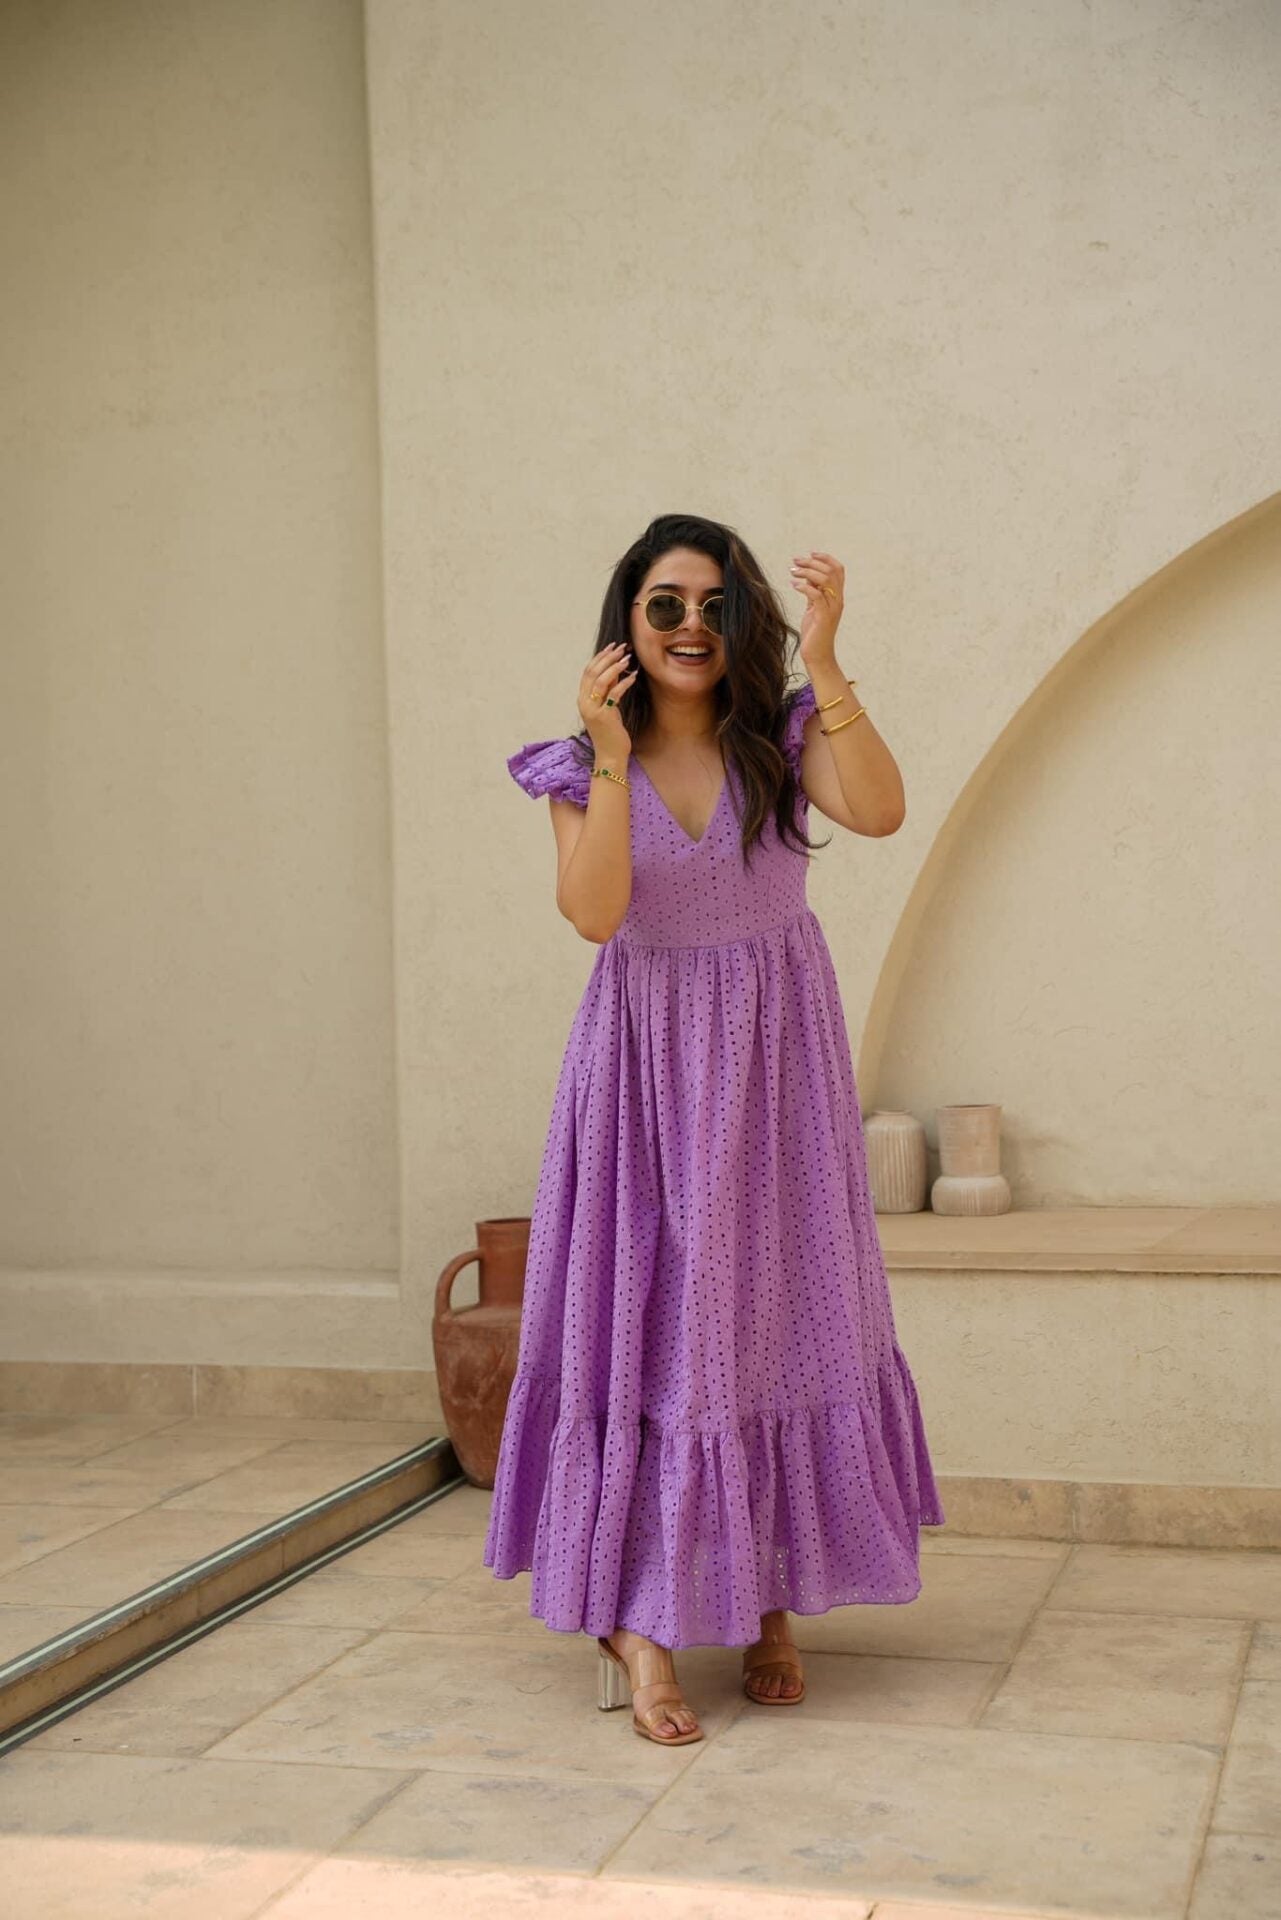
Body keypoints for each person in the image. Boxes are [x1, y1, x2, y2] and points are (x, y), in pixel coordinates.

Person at [483, 512, 944, 1746]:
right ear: (627, 627)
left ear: (747, 623)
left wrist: (827, 661)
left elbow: (883, 810)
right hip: (643, 1082)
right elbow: (596, 915)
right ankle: (638, 1624)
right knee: (653, 1328)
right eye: (666, 605)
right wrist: (608, 752)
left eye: (717, 605)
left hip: (775, 1077)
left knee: (776, 1317)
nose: (692, 626)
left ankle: (769, 1600)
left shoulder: (783, 740)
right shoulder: (577, 768)